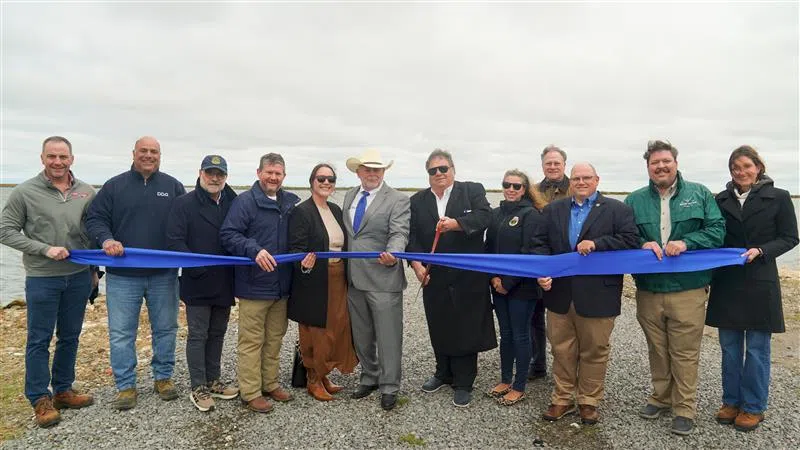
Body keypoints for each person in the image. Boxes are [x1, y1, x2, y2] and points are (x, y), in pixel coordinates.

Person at [624, 140, 725, 436]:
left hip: (688, 289)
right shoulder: (634, 200)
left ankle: (684, 408)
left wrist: (688, 242)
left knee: (684, 351)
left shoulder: (700, 194)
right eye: (655, 163)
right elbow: (624, 236)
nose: (661, 166)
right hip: (648, 289)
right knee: (657, 348)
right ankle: (660, 397)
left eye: (666, 161)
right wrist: (641, 244)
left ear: (676, 163)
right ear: (648, 167)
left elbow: (717, 230)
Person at [532, 163, 639, 424]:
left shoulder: (618, 210)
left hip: (598, 295)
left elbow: (631, 240)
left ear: (597, 180)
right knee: (562, 349)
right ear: (571, 182)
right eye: (577, 178)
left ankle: (589, 401)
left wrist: (598, 244)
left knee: (594, 350)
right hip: (559, 293)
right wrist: (543, 271)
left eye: (586, 178)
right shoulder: (553, 209)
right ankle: (562, 398)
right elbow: (539, 244)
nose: (581, 182)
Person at [0, 136, 96, 427]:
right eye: (52, 156)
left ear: (72, 159)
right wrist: (44, 249)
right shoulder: (24, 192)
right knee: (39, 339)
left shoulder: (87, 192)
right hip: (43, 278)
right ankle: (40, 398)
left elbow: (91, 233)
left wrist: (94, 271)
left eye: (63, 157)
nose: (57, 162)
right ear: (42, 158)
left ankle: (64, 389)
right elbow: (5, 231)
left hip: (78, 276)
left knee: (70, 336)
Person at [85, 136, 186, 410]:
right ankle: (126, 385)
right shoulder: (114, 186)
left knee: (166, 328)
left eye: (154, 151)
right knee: (121, 333)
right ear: (133, 153)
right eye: (144, 151)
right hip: (122, 275)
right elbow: (94, 219)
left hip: (163, 275)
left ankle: (163, 377)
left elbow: (186, 222)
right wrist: (106, 240)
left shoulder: (173, 186)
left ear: (160, 155)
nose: (149, 155)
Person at [706, 146, 798, 432]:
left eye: (746, 166)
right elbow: (713, 236)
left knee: (757, 349)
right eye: (735, 167)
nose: (740, 172)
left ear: (758, 167)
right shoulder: (719, 200)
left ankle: (754, 407)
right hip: (727, 282)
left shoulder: (780, 197)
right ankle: (731, 402)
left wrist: (761, 250)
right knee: (729, 349)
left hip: (761, 281)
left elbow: (790, 237)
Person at [407, 149, 496, 408]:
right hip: (433, 276)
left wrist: (456, 224)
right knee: (439, 322)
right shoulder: (417, 200)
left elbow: (485, 216)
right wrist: (415, 265)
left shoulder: (472, 190)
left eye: (443, 169)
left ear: (453, 170)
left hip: (467, 276)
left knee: (466, 326)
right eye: (433, 171)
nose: (439, 174)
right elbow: (411, 237)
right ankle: (442, 373)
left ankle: (464, 382)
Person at [220, 153, 299, 413]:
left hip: (282, 286)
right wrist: (253, 250)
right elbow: (229, 234)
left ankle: (270, 383)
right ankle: (251, 391)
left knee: (275, 338)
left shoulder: (290, 202)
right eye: (269, 172)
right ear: (258, 173)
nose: (273, 177)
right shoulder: (245, 202)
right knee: (251, 341)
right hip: (254, 286)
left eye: (278, 173)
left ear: (284, 176)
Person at [165, 155, 240, 412]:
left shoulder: (233, 202)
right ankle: (198, 386)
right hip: (197, 280)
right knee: (198, 334)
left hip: (226, 279)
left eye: (220, 174)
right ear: (200, 173)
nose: (215, 178)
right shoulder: (183, 204)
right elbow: (174, 240)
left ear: (226, 177)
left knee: (218, 332)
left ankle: (213, 380)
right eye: (210, 173)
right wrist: (196, 267)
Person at [342, 149, 411, 411]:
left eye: (377, 169)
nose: (372, 173)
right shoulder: (350, 195)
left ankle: (390, 386)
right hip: (354, 278)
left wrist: (394, 253)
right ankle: (369, 377)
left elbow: (399, 232)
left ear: (384, 172)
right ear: (358, 171)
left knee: (388, 336)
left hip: (384, 278)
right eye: (367, 169)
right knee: (362, 335)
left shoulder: (398, 199)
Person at [287, 163, 359, 402]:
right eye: (321, 178)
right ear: (312, 181)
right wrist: (303, 265)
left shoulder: (336, 210)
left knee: (336, 328)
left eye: (331, 179)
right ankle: (312, 379)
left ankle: (324, 374)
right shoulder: (302, 212)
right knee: (315, 331)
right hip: (314, 280)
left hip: (338, 278)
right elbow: (296, 249)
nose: (326, 183)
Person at [484, 169, 545, 406]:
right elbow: (488, 249)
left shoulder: (532, 215)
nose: (511, 189)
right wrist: (493, 278)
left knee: (521, 335)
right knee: (506, 333)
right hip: (497, 284)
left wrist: (508, 282)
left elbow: (528, 251)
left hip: (523, 286)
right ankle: (505, 379)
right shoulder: (496, 213)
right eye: (507, 184)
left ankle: (520, 385)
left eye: (516, 186)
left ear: (524, 189)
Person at [529, 145, 571, 380]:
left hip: (566, 263)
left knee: (564, 321)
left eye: (557, 163)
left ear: (564, 164)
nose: (552, 167)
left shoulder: (576, 186)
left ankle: (564, 369)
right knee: (535, 316)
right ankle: (538, 364)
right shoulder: (533, 191)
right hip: (540, 258)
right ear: (543, 165)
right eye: (548, 163)